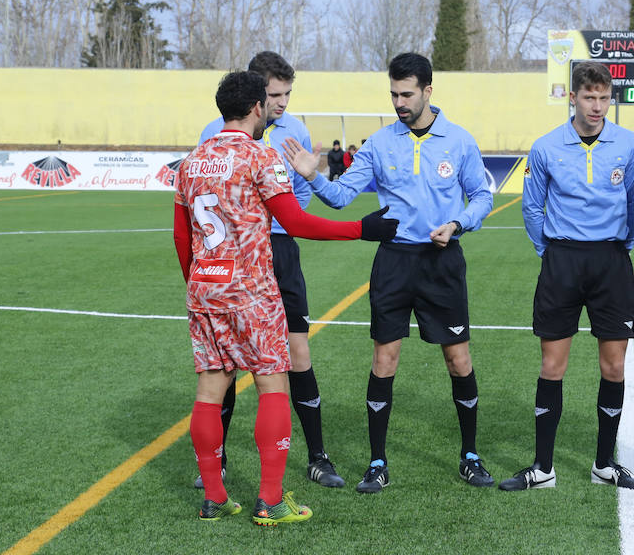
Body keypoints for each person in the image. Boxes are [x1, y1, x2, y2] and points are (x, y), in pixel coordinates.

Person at [175, 71, 397, 523]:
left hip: (205, 288)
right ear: (257, 108)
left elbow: (182, 236)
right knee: (272, 383)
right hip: (251, 291)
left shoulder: (192, 160)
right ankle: (271, 500)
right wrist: (361, 229)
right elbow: (295, 223)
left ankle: (215, 497)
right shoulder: (261, 157)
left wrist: (198, 284)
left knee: (209, 389)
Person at [284, 52, 494, 493]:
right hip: (394, 263)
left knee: (459, 360)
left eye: (407, 93)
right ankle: (377, 463)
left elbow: (480, 195)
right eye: (394, 94)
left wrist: (459, 223)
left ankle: (469, 456)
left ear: (428, 91)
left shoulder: (458, 141)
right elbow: (342, 198)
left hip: (442, 263)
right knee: (385, 359)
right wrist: (314, 176)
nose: (399, 102)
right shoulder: (380, 144)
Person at [197, 51, 346, 490]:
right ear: (255, 96)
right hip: (233, 257)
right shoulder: (214, 132)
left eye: (287, 94)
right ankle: (219, 465)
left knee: (297, 353)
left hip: (279, 249)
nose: (281, 103)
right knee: (227, 364)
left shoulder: (295, 131)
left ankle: (318, 456)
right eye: (274, 95)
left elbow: (300, 199)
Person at [499, 60, 634, 492]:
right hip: (561, 261)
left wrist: (621, 249)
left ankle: (604, 464)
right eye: (589, 97)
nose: (598, 106)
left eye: (604, 98)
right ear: (573, 98)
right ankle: (543, 467)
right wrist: (550, 251)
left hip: (611, 262)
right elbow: (531, 206)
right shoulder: (546, 147)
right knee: (552, 365)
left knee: (614, 366)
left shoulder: (629, 145)